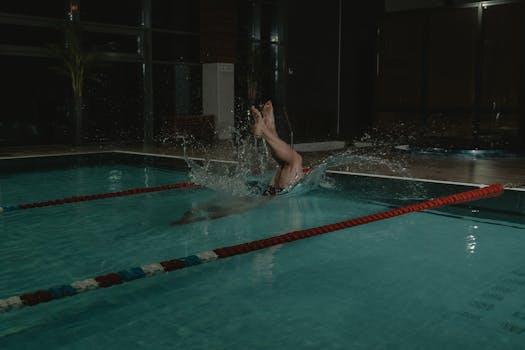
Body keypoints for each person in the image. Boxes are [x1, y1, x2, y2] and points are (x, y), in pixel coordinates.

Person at [251, 100, 304, 195]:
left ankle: (267, 130)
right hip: (277, 194)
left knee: (293, 160)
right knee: (290, 161)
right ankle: (268, 130)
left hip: (273, 193)